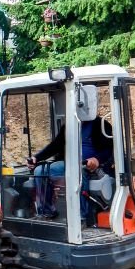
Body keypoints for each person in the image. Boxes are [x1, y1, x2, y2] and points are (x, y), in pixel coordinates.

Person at [26, 88, 114, 220]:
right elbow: (55, 146)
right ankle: (46, 211)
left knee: (78, 171)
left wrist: (97, 159)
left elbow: (109, 149)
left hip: (91, 167)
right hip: (69, 164)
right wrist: (36, 158)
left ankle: (81, 216)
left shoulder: (100, 125)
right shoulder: (68, 126)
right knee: (39, 171)